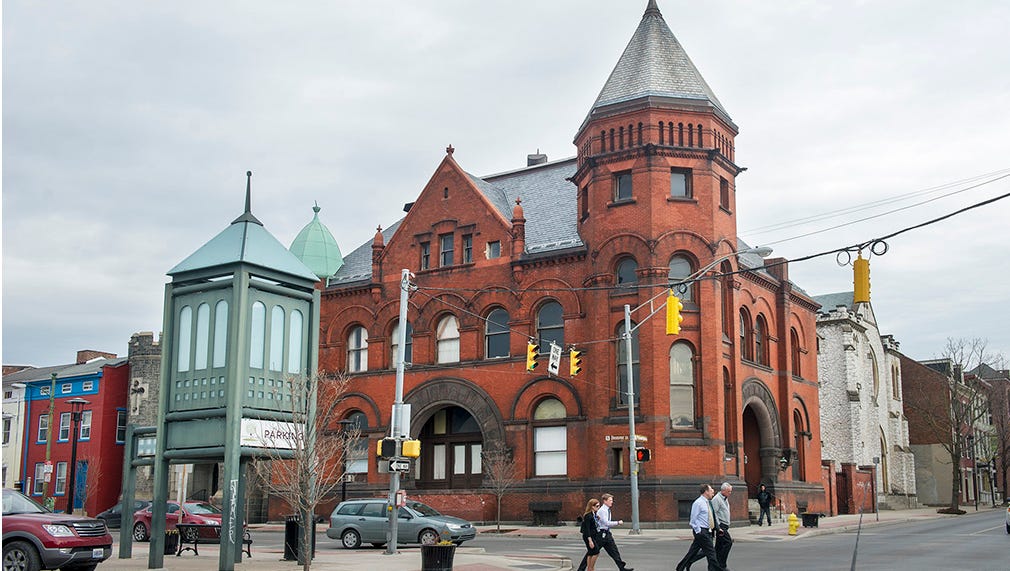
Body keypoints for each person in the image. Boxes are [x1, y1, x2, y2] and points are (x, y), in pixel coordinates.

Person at [578, 493, 633, 571]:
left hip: (607, 533)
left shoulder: (606, 510)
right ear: (605, 501)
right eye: (610, 500)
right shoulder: (603, 510)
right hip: (601, 534)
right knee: (593, 552)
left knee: (614, 551)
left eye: (612, 500)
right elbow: (606, 523)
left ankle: (621, 568)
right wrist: (618, 522)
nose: (612, 502)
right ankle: (582, 569)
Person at [676, 484, 722, 571]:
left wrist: (716, 528)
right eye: (711, 490)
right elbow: (693, 519)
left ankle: (680, 567)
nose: (712, 492)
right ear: (706, 492)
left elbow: (711, 516)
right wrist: (699, 531)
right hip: (702, 531)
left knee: (693, 551)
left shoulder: (707, 502)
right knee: (711, 553)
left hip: (707, 531)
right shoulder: (698, 503)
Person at [711, 482, 734, 570]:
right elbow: (714, 513)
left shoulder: (724, 498)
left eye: (730, 491)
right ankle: (722, 565)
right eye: (729, 491)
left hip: (725, 525)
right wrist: (718, 526)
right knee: (728, 542)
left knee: (718, 546)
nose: (730, 493)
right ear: (723, 491)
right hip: (721, 526)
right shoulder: (717, 499)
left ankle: (714, 566)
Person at [579, 499, 603, 571]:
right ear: (592, 506)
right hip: (589, 536)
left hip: (593, 535)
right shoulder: (588, 516)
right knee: (596, 552)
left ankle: (589, 568)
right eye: (597, 506)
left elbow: (594, 524)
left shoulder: (594, 514)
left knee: (590, 552)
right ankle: (591, 568)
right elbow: (587, 529)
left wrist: (597, 518)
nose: (598, 507)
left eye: (599, 506)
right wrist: (590, 541)